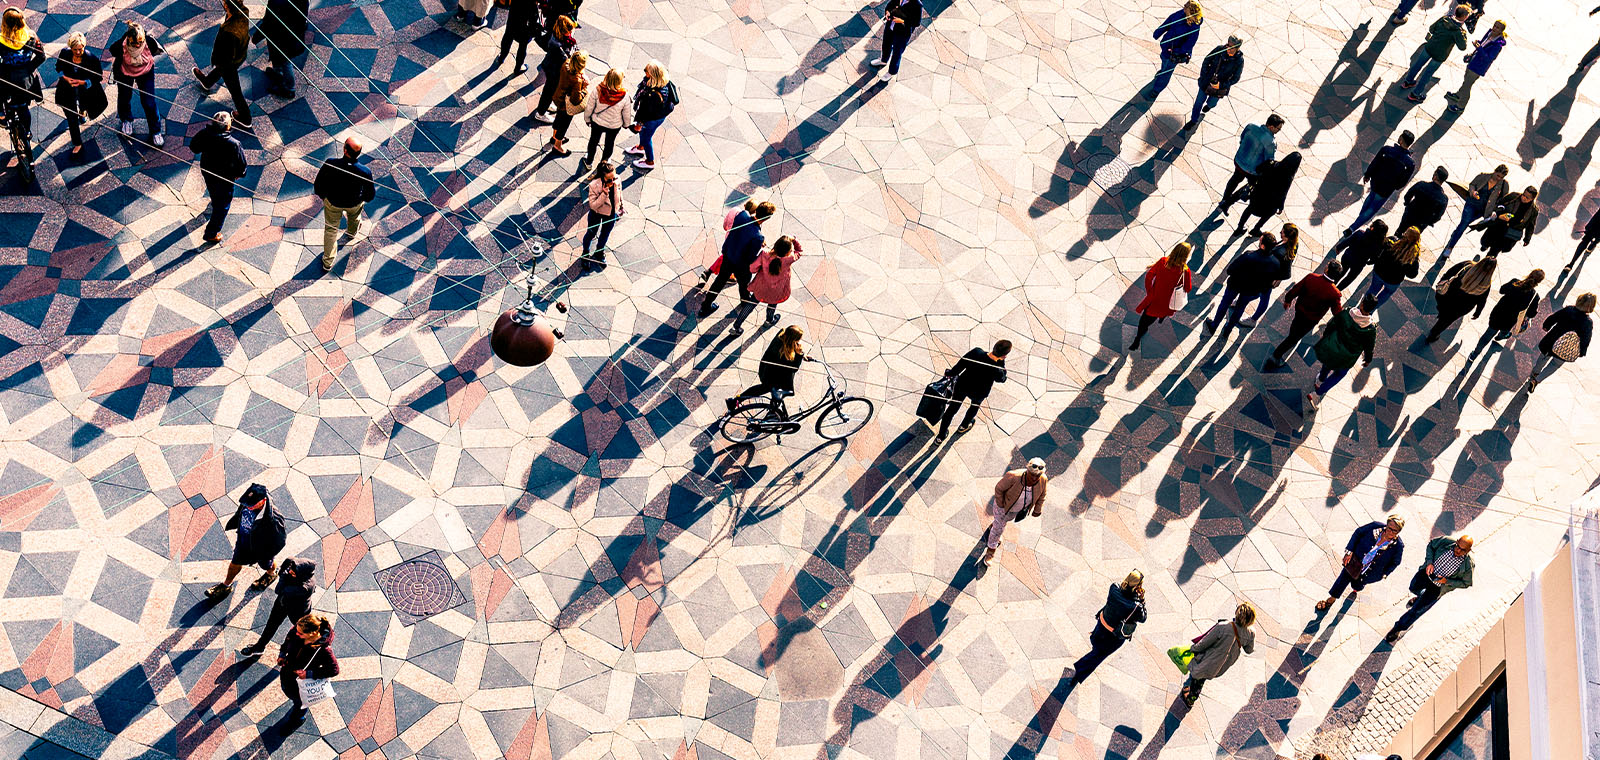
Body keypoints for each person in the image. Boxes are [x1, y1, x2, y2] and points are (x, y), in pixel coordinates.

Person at [698, 201, 773, 330]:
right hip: (741, 265)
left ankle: (706, 306)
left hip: (728, 255)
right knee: (744, 284)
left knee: (719, 281)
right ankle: (744, 301)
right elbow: (750, 257)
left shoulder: (742, 215)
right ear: (766, 219)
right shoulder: (758, 237)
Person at [1385, 535, 1474, 642]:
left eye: (1462, 550)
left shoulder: (1468, 565)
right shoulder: (1446, 541)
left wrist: (1447, 581)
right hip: (1425, 574)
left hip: (1437, 589)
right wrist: (1429, 562)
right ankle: (1419, 597)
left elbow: (1466, 583)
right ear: (1457, 541)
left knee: (1416, 611)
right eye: (1457, 546)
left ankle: (1398, 628)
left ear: (1468, 550)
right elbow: (1431, 545)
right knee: (1413, 587)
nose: (1458, 550)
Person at [205, 483, 287, 599]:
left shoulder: (274, 519)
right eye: (246, 504)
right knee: (234, 563)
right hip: (244, 542)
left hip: (260, 549)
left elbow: (280, 542)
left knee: (266, 564)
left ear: (263, 501)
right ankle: (226, 585)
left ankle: (271, 573)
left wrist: (265, 554)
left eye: (251, 505)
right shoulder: (248, 503)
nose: (248, 507)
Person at [1315, 516, 1406, 612]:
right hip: (1354, 562)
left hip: (1369, 573)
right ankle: (1331, 599)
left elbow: (1395, 562)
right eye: (1389, 528)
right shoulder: (1374, 526)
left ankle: (1356, 589)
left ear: (1399, 531)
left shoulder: (1398, 546)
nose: (1390, 532)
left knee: (1357, 585)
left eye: (1395, 531)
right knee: (1342, 580)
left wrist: (1384, 574)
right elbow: (1358, 533)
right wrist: (1349, 551)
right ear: (1386, 525)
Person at [1070, 570, 1147, 684]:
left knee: (1096, 648)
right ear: (1137, 586)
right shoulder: (1136, 607)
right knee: (1097, 657)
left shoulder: (1114, 588)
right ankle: (1078, 672)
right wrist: (1142, 600)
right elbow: (1143, 618)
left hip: (1101, 624)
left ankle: (1086, 661)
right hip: (1113, 637)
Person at [1265, 260, 1343, 369]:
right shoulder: (1335, 293)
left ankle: (1290, 339)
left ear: (1327, 269)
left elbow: (1295, 289)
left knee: (1294, 331)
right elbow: (1337, 312)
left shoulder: (1311, 277)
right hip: (1311, 320)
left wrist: (1288, 300)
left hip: (1300, 311)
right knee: (1293, 338)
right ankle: (1275, 356)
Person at [312, 136, 375, 272]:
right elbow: (370, 194)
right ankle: (351, 233)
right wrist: (362, 199)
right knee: (355, 217)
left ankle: (328, 262)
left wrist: (324, 197)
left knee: (331, 230)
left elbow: (318, 184)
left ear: (345, 150)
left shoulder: (331, 163)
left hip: (333, 203)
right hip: (354, 203)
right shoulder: (365, 171)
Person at [1305, 294, 1379, 409]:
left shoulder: (1346, 313)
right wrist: (1368, 359)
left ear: (1362, 303)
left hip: (1333, 346)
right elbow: (1369, 347)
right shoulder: (1370, 329)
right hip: (1348, 357)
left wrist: (1326, 337)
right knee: (1339, 374)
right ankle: (1317, 394)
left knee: (1328, 362)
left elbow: (1331, 325)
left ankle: (1320, 379)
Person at [1203, 233, 1280, 339]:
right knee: (1240, 309)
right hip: (1251, 291)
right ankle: (1228, 330)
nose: (1259, 241)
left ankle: (1214, 325)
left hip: (1235, 285)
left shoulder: (1249, 255)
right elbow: (1268, 283)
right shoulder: (1275, 263)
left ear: (1262, 246)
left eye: (1260, 240)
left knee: (1225, 304)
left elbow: (1231, 269)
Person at [1342, 131, 1417, 238]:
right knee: (1372, 209)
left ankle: (1357, 223)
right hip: (1386, 189)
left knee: (1370, 199)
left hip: (1376, 182)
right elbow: (1403, 181)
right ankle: (1353, 228)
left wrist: (1368, 174)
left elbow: (1375, 162)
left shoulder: (1386, 150)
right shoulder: (1410, 163)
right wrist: (1395, 186)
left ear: (1401, 139)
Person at [1180, 602, 1256, 706]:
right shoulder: (1251, 632)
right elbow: (1249, 650)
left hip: (1211, 658)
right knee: (1206, 674)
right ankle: (1193, 692)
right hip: (1225, 662)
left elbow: (1205, 642)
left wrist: (1193, 648)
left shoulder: (1223, 626)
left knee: (1199, 676)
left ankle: (1191, 698)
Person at [191, 0, 252, 128]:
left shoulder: (230, 32)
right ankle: (207, 82)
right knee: (222, 67)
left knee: (235, 90)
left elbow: (226, 58)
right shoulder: (243, 11)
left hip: (229, 62)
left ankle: (245, 117)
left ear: (226, 5)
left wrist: (218, 61)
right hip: (239, 54)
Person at [239, 557, 316, 658]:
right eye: (291, 569)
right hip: (282, 602)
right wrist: (283, 574)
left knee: (300, 632)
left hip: (298, 611)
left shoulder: (305, 587)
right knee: (271, 625)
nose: (290, 571)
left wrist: (283, 576)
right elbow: (284, 567)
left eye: (293, 572)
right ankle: (259, 647)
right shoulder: (291, 562)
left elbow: (278, 590)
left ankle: (301, 653)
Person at [190, 111, 248, 245]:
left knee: (213, 190)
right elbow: (242, 164)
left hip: (208, 171)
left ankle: (215, 200)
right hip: (225, 177)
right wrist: (240, 174)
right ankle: (211, 233)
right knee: (222, 206)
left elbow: (194, 147)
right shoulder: (234, 144)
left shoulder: (205, 134)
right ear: (228, 126)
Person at [981, 458, 1049, 566]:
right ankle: (990, 551)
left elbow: (1042, 495)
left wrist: (1037, 509)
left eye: (1038, 476)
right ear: (1027, 471)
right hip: (1003, 508)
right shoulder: (1013, 476)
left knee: (1000, 524)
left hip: (1016, 510)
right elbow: (999, 489)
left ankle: (994, 526)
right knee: (998, 530)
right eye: (1032, 475)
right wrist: (1001, 504)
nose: (1035, 478)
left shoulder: (1043, 479)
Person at [276, 614, 339, 729]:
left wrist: (309, 674)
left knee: (300, 703)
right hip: (288, 673)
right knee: (292, 694)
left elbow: (334, 670)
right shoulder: (296, 630)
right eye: (297, 629)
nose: (296, 633)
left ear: (313, 633)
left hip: (301, 683)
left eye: (301, 633)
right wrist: (282, 655)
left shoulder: (323, 650)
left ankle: (297, 720)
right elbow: (287, 641)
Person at [1128, 241, 1195, 351]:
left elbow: (1149, 276)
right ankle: (1161, 318)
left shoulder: (1163, 261)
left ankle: (1137, 339)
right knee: (1161, 314)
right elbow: (1188, 289)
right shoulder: (1185, 271)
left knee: (1144, 323)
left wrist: (1150, 292)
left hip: (1154, 302)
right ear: (1186, 256)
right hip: (1168, 304)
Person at [938, 340, 1010, 441]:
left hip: (962, 385)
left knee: (952, 409)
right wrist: (1001, 362)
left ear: (994, 347)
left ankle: (940, 436)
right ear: (1005, 355)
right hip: (979, 392)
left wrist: (950, 373)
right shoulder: (997, 368)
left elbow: (959, 366)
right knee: (974, 407)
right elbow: (1002, 379)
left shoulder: (976, 352)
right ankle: (964, 426)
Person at [1399, 4, 1470, 103]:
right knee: (1427, 74)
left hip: (1429, 47)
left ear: (1455, 12)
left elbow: (1431, 29)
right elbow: (1462, 47)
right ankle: (1415, 94)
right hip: (1440, 55)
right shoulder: (1458, 32)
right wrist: (1463, 34)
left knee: (1418, 64)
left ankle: (1408, 81)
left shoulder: (1444, 19)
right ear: (1464, 17)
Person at [106, 22, 164, 144]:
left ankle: (155, 131)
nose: (137, 45)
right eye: (133, 43)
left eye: (140, 42)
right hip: (125, 73)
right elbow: (113, 50)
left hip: (146, 72)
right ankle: (127, 120)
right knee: (124, 98)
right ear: (128, 39)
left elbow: (154, 50)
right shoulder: (120, 45)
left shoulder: (149, 41)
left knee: (149, 102)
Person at [1525, 293, 1595, 392]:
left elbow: (1554, 317)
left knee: (1544, 357)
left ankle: (1535, 373)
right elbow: (1586, 339)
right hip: (1566, 348)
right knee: (1555, 365)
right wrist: (1582, 351)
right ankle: (1537, 380)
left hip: (1552, 340)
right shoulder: (1588, 322)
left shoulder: (1569, 310)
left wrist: (1547, 325)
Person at [726, 325, 804, 411]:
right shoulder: (782, 352)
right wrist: (800, 355)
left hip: (767, 370)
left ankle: (735, 401)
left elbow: (790, 349)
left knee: (762, 389)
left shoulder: (781, 337)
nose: (799, 341)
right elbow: (793, 368)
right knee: (769, 389)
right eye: (798, 339)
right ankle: (772, 411)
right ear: (792, 340)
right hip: (772, 377)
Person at [1220, 114, 1283, 215]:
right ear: (1271, 127)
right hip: (1253, 170)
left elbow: (1242, 138)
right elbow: (1269, 160)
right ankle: (1228, 202)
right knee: (1250, 187)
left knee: (1234, 180)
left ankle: (1224, 199)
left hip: (1239, 160)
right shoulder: (1271, 142)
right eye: (1278, 129)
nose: (1278, 131)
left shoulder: (1251, 126)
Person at [1425, 255, 1496, 343]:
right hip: (1461, 308)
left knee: (1443, 311)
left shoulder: (1467, 265)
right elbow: (1482, 301)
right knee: (1446, 321)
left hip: (1448, 297)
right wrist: (1477, 313)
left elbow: (1450, 272)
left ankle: (1441, 314)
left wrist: (1442, 281)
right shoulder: (1486, 284)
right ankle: (1433, 335)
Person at [54, 32, 104, 156]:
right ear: (70, 48)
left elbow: (98, 76)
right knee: (71, 118)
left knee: (83, 105)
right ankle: (77, 142)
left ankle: (82, 111)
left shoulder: (91, 58)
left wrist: (83, 82)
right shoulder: (65, 53)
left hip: (84, 90)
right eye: (75, 49)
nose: (77, 52)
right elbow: (58, 67)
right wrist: (65, 78)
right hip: (67, 89)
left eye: (80, 49)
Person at [1441, 164, 1508, 257]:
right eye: (1498, 175)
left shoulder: (1504, 185)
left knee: (1464, 224)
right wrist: (1473, 192)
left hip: (1483, 211)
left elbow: (1503, 200)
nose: (1499, 178)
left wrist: (1495, 210)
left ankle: (1456, 233)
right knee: (1464, 225)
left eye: (1501, 177)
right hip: (1471, 205)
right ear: (1495, 171)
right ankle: (1450, 247)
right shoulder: (1483, 176)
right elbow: (1472, 184)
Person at [1473, 269, 1542, 355]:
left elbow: (1501, 290)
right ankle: (1500, 336)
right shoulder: (1534, 297)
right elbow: (1531, 314)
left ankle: (1474, 354)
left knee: (1488, 334)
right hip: (1510, 319)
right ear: (1539, 282)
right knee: (1505, 331)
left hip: (1498, 313)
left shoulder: (1515, 282)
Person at [0, 8, 45, 139]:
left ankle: (1, 115)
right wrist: (28, 68)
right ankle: (28, 132)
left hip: (6, 78)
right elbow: (41, 57)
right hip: (26, 79)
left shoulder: (1, 40)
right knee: (23, 108)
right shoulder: (31, 36)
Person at [1144, 1, 1203, 99]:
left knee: (1167, 72)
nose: (1183, 6)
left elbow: (1189, 45)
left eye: (1186, 6)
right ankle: (1162, 71)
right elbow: (1170, 20)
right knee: (1163, 59)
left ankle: (1157, 89)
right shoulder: (1181, 13)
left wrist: (1176, 50)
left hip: (1174, 54)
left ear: (1191, 11)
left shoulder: (1194, 27)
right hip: (1166, 45)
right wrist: (1158, 32)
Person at [1184, 35, 1243, 130]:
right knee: (1198, 102)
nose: (1229, 49)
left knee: (1212, 103)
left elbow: (1236, 78)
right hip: (1206, 82)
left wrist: (1221, 85)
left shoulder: (1239, 60)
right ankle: (1193, 120)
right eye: (1228, 46)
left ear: (1237, 48)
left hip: (1219, 88)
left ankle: (1209, 106)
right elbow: (1206, 60)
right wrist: (1204, 76)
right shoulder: (1219, 50)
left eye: (1232, 48)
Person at [625, 61, 677, 170]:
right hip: (660, 116)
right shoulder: (666, 82)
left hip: (652, 119)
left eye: (646, 71)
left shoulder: (652, 94)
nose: (644, 72)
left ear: (653, 75)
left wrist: (639, 124)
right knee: (645, 134)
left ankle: (649, 161)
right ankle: (640, 147)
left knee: (646, 137)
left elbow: (645, 112)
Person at [1446, 20, 1505, 113]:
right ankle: (1458, 95)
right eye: (1494, 26)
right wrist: (1478, 44)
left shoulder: (1498, 45)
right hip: (1473, 60)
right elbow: (1483, 44)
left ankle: (1460, 106)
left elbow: (1489, 58)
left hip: (1478, 67)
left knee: (1467, 86)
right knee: (1466, 81)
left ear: (1501, 31)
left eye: (1497, 28)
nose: (1494, 28)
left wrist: (1479, 48)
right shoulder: (1489, 33)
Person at [1235, 150, 1299, 236]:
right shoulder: (1288, 177)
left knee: (1249, 208)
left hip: (1258, 193)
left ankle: (1239, 227)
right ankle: (1256, 229)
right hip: (1269, 202)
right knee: (1271, 212)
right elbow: (1283, 194)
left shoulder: (1272, 164)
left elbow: (1258, 169)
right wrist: (1280, 206)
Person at [253, 0, 309, 98]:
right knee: (280, 57)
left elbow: (268, 21)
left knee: (285, 61)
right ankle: (277, 72)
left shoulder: (276, 2)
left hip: (280, 36)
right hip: (292, 34)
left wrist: (256, 37)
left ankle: (289, 89)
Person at [581, 67, 631, 170]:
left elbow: (590, 106)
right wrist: (626, 124)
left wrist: (587, 119)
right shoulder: (624, 96)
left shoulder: (598, 90)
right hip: (614, 126)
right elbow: (626, 113)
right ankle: (605, 161)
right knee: (609, 143)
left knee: (593, 141)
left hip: (597, 122)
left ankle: (589, 161)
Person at [530, 16, 577, 123]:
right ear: (564, 31)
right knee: (549, 90)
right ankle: (540, 113)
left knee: (550, 90)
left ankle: (546, 104)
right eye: (569, 31)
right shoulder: (557, 45)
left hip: (552, 67)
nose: (571, 32)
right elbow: (566, 58)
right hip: (554, 70)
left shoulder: (557, 36)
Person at [749, 236, 801, 325]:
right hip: (777, 289)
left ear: (775, 245)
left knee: (751, 304)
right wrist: (794, 240)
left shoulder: (765, 254)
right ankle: (769, 321)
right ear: (788, 252)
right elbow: (799, 251)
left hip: (761, 286)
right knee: (772, 304)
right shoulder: (790, 258)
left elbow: (752, 268)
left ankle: (736, 326)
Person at [1365, 226, 1422, 307]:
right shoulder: (1412, 257)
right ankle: (1370, 311)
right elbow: (1412, 275)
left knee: (1373, 289)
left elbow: (1379, 249)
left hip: (1379, 272)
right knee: (1385, 295)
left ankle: (1363, 307)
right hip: (1393, 281)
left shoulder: (1392, 241)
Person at [545, 50, 587, 157]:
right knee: (563, 125)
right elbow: (575, 100)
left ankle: (554, 137)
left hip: (558, 97)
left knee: (558, 119)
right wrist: (584, 89)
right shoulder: (577, 80)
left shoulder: (566, 64)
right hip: (566, 106)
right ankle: (558, 145)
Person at [579, 160, 621, 268]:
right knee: (591, 234)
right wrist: (604, 193)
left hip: (611, 213)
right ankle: (585, 253)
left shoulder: (617, 179)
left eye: (614, 178)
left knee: (605, 234)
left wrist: (620, 205)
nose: (613, 181)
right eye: (609, 179)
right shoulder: (594, 185)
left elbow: (619, 193)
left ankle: (599, 252)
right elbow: (593, 205)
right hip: (597, 213)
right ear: (603, 177)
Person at [870, 0, 922, 83]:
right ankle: (883, 60)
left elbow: (916, 22)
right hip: (890, 26)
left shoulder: (917, 4)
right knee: (886, 44)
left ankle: (891, 72)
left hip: (902, 32)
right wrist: (887, 12)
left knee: (897, 52)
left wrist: (902, 21)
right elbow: (890, 4)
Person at [1477, 186, 1538, 256]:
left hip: (1509, 234)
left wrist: (1527, 239)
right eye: (1523, 195)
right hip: (1498, 226)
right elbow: (1499, 204)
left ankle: (1487, 262)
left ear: (1532, 199)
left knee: (1494, 252)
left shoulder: (1533, 211)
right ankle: (1485, 245)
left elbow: (1530, 226)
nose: (1523, 198)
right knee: (1486, 241)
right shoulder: (1513, 197)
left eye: (1527, 197)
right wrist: (1499, 215)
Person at [1397, 166, 1451, 236]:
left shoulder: (1422, 185)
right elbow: (1438, 216)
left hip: (1410, 214)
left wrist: (1407, 205)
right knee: (1411, 239)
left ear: (1435, 176)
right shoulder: (1443, 199)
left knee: (1399, 232)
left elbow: (1408, 195)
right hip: (1422, 223)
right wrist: (1429, 221)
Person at [1336, 219, 1389, 289]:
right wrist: (1369, 262)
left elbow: (1348, 241)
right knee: (1349, 278)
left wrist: (1339, 247)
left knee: (1341, 272)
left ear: (1372, 228)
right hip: (1359, 264)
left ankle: (1331, 285)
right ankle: (1337, 290)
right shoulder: (1379, 245)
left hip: (1348, 257)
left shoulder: (1360, 233)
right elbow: (1374, 258)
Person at [491, 0, 538, 74]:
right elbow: (533, 19)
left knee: (508, 36)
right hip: (525, 25)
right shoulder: (532, 4)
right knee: (523, 45)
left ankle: (502, 57)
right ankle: (518, 67)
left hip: (514, 16)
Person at [1570, 205, 1600, 276]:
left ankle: (1571, 264)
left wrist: (1590, 225)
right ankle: (1592, 246)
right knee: (1593, 239)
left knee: (1586, 240)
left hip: (1597, 222)